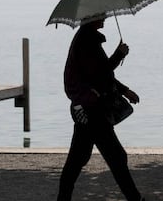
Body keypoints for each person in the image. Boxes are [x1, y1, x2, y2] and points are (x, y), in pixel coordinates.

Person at [57, 16, 145, 201]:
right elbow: (99, 74)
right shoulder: (86, 41)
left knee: (77, 160)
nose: (105, 16)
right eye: (101, 13)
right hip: (91, 109)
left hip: (88, 108)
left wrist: (125, 90)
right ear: (91, 18)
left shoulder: (87, 38)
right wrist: (119, 54)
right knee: (116, 158)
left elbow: (101, 74)